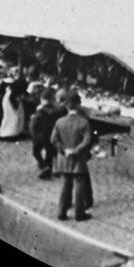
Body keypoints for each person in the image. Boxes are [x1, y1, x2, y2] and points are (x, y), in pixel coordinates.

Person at [51, 91, 93, 221]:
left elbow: (54, 140)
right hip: (78, 158)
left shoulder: (60, 122)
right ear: (79, 104)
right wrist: (76, 150)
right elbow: (87, 140)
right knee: (79, 184)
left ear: (67, 106)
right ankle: (80, 213)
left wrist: (65, 149)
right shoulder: (83, 122)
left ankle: (61, 212)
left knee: (65, 184)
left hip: (64, 158)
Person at [29, 88, 58, 179]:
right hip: (50, 134)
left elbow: (33, 126)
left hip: (40, 135)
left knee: (36, 151)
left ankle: (43, 166)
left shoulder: (39, 112)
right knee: (50, 152)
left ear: (42, 99)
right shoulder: (55, 110)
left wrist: (33, 134)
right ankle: (49, 169)